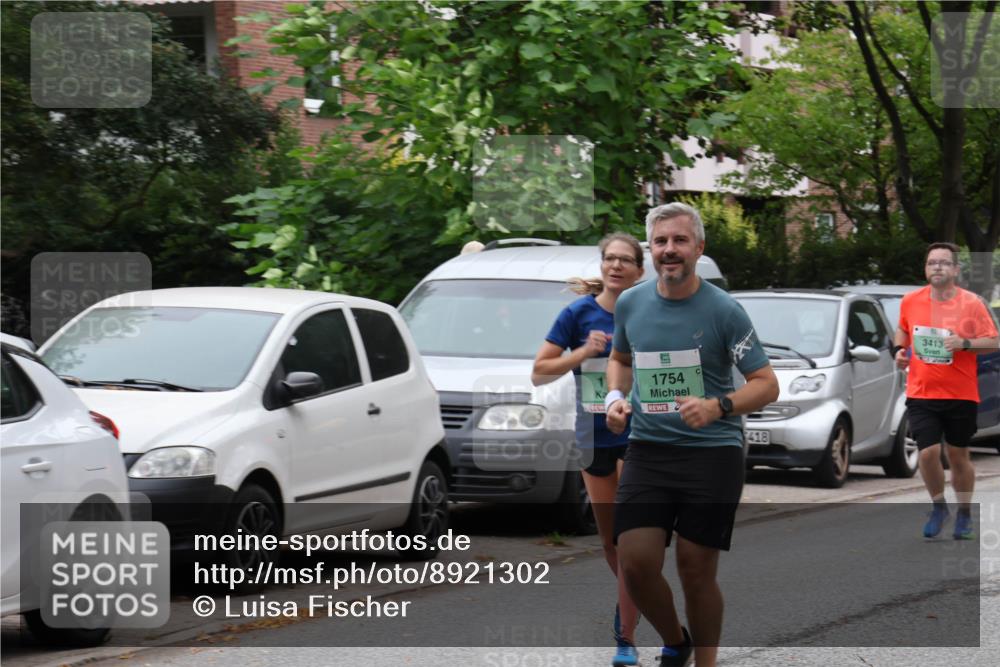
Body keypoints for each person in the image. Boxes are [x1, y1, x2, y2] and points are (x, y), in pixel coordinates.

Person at [604, 203, 778, 667]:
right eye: (660, 242)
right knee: (635, 561)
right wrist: (614, 399)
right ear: (651, 250)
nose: (669, 250)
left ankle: (705, 661)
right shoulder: (631, 303)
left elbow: (766, 383)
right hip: (648, 449)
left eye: (680, 241)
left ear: (698, 247)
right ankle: (675, 641)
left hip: (712, 453)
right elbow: (620, 358)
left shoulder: (725, 311)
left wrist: (717, 405)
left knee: (695, 570)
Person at [531, 232, 645, 667]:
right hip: (593, 435)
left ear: (639, 270)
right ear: (602, 267)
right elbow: (539, 372)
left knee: (634, 540)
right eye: (609, 259)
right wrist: (582, 352)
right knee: (612, 543)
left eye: (624, 260)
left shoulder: (650, 310)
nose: (615, 266)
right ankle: (644, 599)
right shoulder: (578, 314)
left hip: (640, 436)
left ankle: (626, 636)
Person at [893, 242, 999, 539]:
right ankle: (939, 505)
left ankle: (964, 513)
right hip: (922, 391)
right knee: (927, 453)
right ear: (926, 269)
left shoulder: (972, 304)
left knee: (957, 454)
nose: (936, 267)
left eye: (943, 262)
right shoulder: (911, 301)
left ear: (955, 269)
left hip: (960, 394)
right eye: (931, 263)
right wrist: (899, 350)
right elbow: (903, 330)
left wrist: (963, 343)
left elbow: (993, 342)